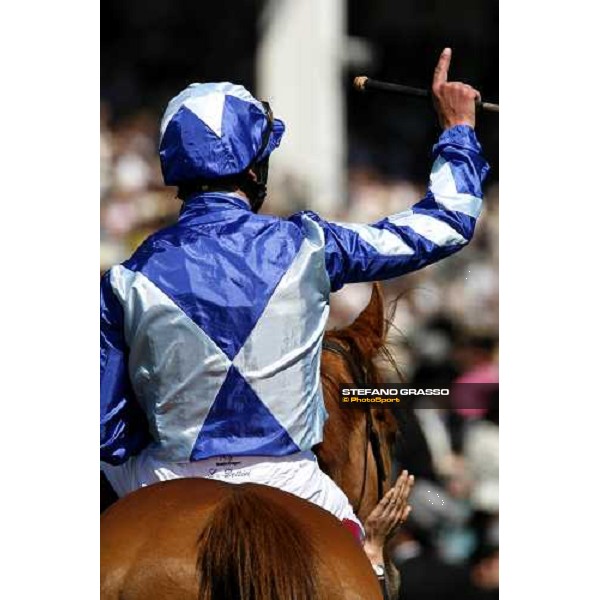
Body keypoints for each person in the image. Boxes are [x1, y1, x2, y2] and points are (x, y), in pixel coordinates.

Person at [101, 47, 488, 553]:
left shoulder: (125, 278)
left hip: (162, 480)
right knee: (365, 559)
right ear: (255, 167)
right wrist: (457, 129)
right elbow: (445, 224)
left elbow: (107, 426)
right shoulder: (308, 246)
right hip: (294, 482)